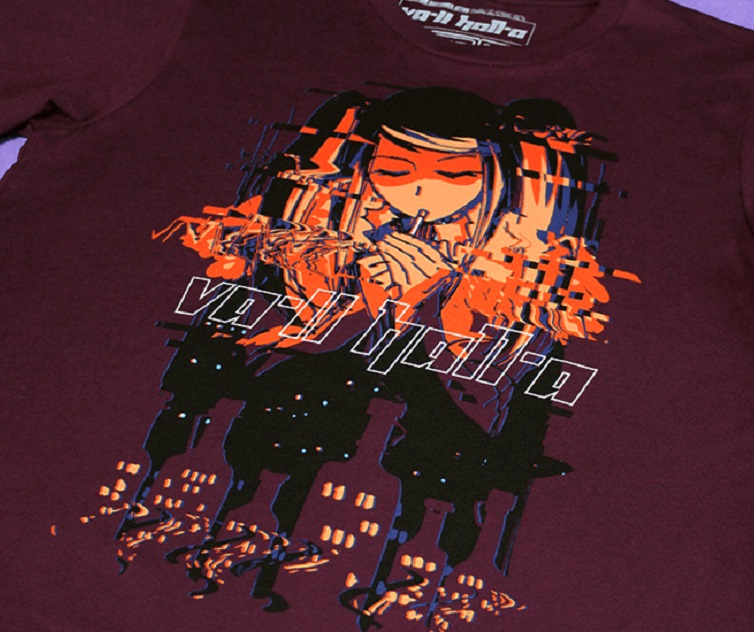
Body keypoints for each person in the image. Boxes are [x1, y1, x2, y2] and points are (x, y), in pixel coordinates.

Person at [120, 86, 639, 626]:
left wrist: (427, 300)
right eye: (394, 169)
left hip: (428, 469)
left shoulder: (527, 268)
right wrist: (358, 290)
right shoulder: (312, 230)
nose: (421, 190)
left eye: (455, 175)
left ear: (495, 179)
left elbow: (500, 397)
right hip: (285, 437)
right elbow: (242, 341)